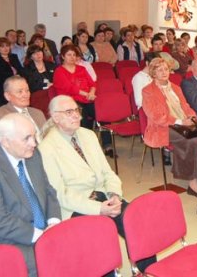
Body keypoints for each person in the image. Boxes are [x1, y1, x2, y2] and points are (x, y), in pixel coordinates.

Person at [39, 95, 155, 274]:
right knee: (99, 240)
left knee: (138, 223)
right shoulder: (47, 148)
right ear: (55, 117)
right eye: (69, 112)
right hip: (77, 205)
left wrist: (114, 194)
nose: (76, 116)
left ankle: (147, 271)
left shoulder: (88, 135)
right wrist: (99, 208)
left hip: (104, 195)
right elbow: (60, 195)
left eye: (77, 110)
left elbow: (107, 172)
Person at [0, 113, 61, 277]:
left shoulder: (33, 154)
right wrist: (41, 236)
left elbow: (48, 190)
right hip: (9, 239)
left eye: (34, 136)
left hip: (43, 229)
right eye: (26, 138)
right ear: (6, 141)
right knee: (48, 262)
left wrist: (54, 222)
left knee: (83, 248)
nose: (34, 143)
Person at [142, 58, 197, 194]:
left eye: (166, 69)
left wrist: (192, 117)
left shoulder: (175, 87)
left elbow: (186, 107)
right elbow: (156, 117)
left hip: (183, 123)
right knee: (192, 139)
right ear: (153, 73)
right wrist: (180, 122)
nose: (164, 72)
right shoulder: (148, 91)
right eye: (160, 70)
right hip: (162, 128)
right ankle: (193, 181)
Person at [0, 75, 47, 143]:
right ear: (7, 96)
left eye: (27, 90)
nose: (25, 95)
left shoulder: (38, 113)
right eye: (20, 91)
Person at [0, 37, 24, 109]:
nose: (6, 48)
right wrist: (14, 78)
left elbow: (21, 71)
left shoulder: (13, 57)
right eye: (2, 46)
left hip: (16, 86)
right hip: (1, 89)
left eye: (7, 46)